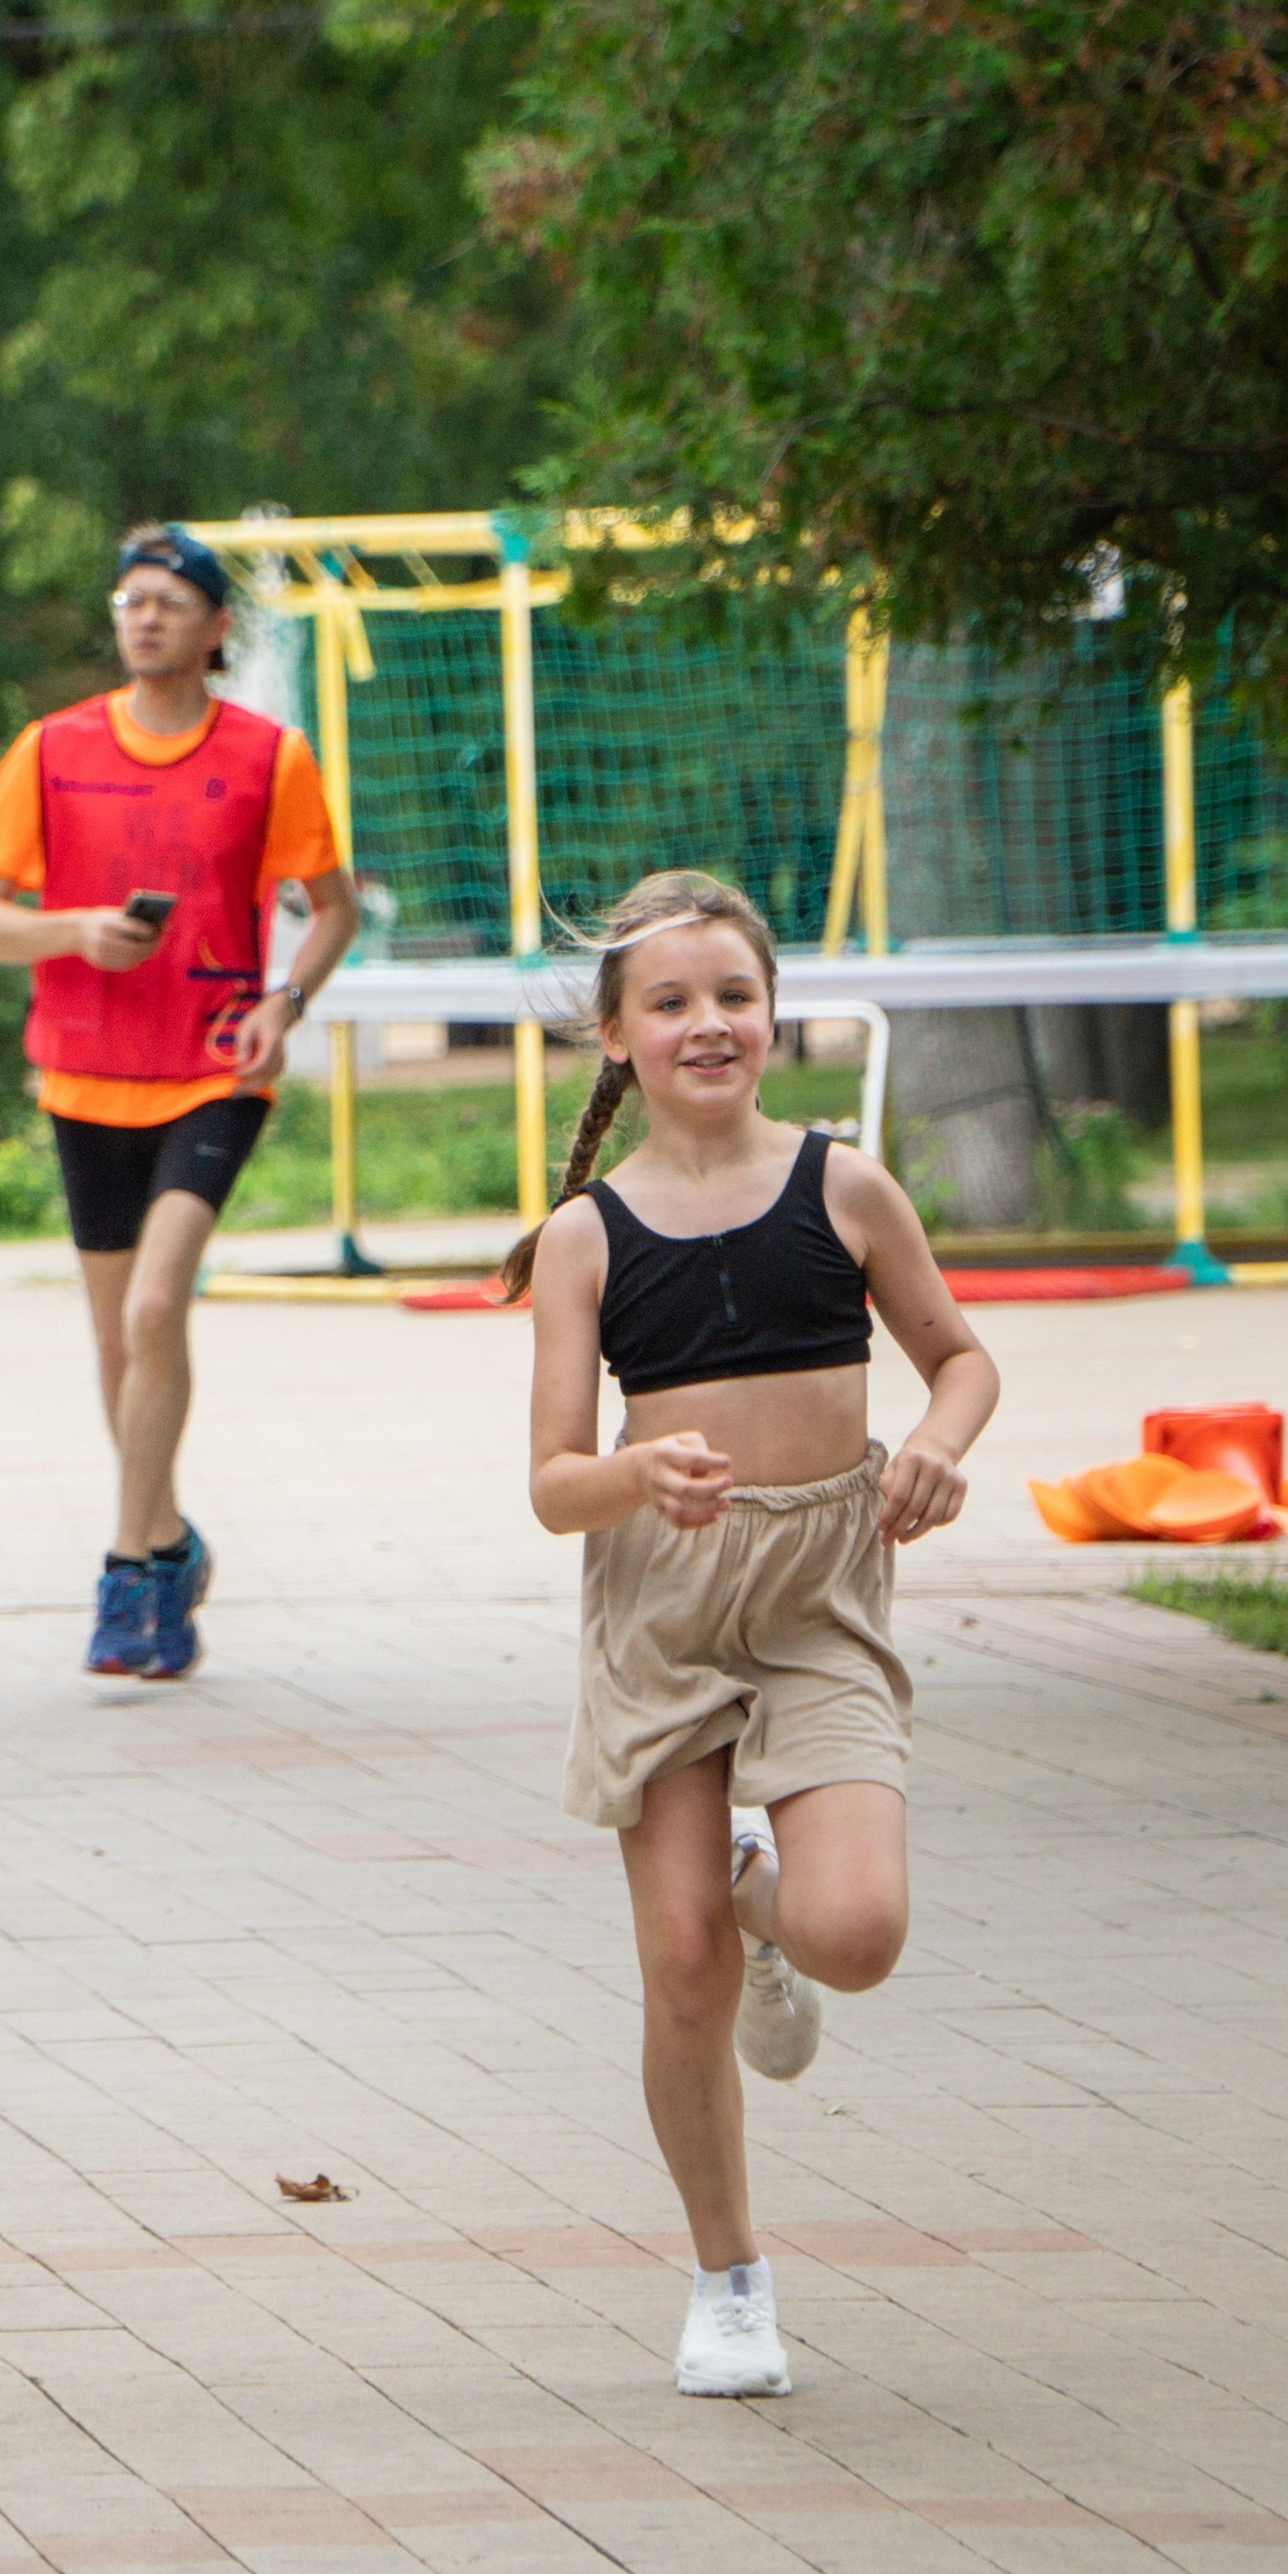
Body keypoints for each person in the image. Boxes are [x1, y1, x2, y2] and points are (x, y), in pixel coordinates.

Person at [513, 870, 998, 2398]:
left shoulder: (845, 1189)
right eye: (670, 1001)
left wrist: (936, 1443)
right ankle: (729, 2280)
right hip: (665, 1603)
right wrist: (637, 1471)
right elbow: (549, 1486)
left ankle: (757, 1891)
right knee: (679, 1972)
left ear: (773, 1012)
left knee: (853, 1933)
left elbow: (963, 1360)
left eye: (733, 993)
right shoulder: (584, 1240)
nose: (708, 1023)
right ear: (616, 1036)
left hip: (820, 1599)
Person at [0, 523, 360, 1676]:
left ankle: (129, 1572)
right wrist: (74, 929)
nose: (144, 617)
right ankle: (172, 1537)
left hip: (215, 1066)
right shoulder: (50, 751)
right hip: (83, 1068)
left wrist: (285, 1002)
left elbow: (331, 907)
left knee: (152, 1309)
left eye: (169, 602)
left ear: (215, 628)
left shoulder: (269, 758)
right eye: (128, 599)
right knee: (112, 1342)